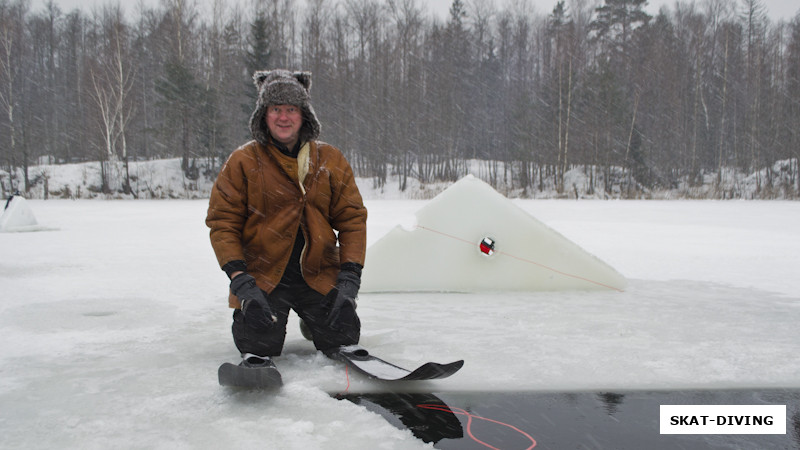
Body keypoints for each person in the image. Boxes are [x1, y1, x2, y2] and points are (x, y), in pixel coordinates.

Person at [206, 69, 367, 370]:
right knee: (259, 341)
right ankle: (266, 322)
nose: (283, 117)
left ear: (304, 115)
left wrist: (349, 279)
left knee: (343, 334)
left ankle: (315, 319)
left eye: (291, 109)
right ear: (263, 115)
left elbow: (352, 219)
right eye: (275, 109)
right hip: (264, 277)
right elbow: (222, 222)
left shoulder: (331, 159)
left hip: (317, 273)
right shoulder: (243, 161)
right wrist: (242, 283)